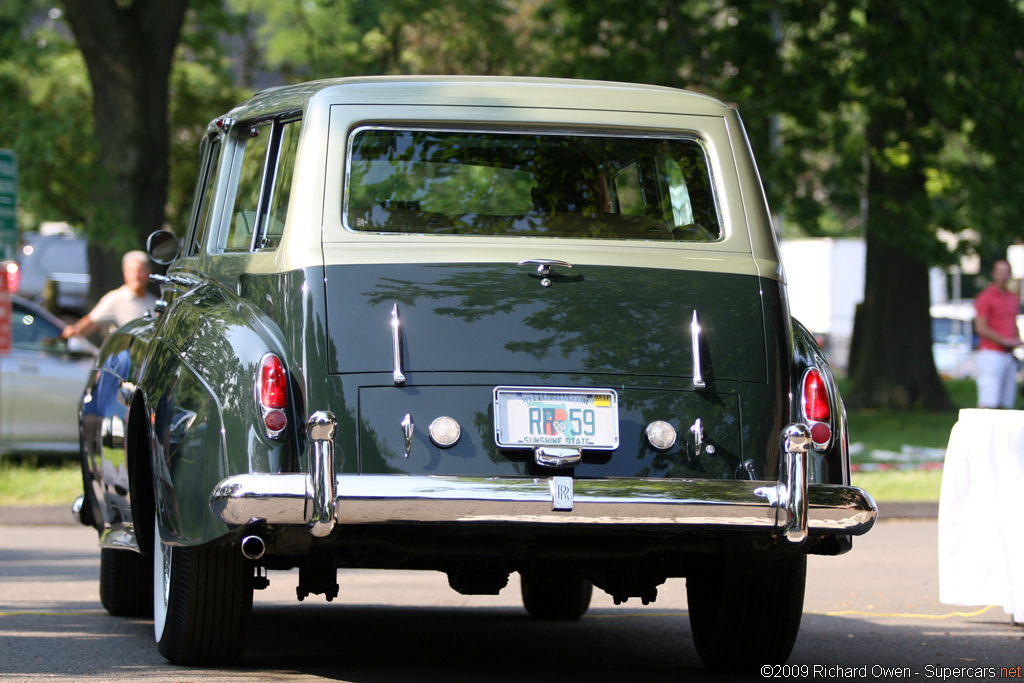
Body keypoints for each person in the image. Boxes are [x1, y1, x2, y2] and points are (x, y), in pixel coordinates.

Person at [62, 250, 157, 340]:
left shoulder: (155, 303)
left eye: (140, 271)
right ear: (125, 272)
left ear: (149, 273)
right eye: (131, 271)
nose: (136, 276)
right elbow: (92, 322)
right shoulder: (115, 298)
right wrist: (75, 330)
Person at [974, 259, 1023, 409]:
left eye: (1006, 272)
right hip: (991, 354)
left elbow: (1012, 322)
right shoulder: (985, 297)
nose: (1003, 276)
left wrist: (1017, 339)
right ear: (994, 274)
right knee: (988, 402)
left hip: (1008, 355)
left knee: (1006, 403)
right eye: (1000, 272)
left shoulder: (1012, 298)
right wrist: (1004, 340)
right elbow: (981, 327)